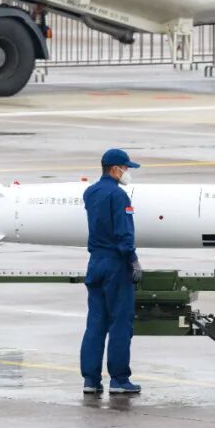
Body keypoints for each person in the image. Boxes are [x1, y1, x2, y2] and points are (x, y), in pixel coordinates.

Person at [81, 149, 143, 395]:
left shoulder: (90, 192)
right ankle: (119, 379)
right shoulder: (119, 196)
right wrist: (133, 260)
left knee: (96, 322)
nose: (127, 172)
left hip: (95, 261)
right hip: (115, 263)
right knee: (120, 322)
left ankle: (90, 380)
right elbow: (124, 233)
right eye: (125, 168)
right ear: (115, 169)